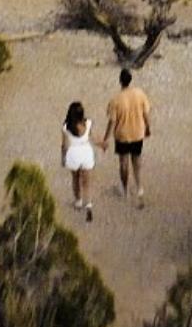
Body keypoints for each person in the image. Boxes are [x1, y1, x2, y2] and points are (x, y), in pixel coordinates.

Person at [101, 66, 153, 208]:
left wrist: (106, 139)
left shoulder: (115, 100)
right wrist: (148, 128)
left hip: (122, 135)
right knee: (136, 160)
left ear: (120, 81)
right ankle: (139, 187)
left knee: (123, 163)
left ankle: (124, 189)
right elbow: (145, 114)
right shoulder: (140, 94)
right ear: (130, 80)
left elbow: (112, 121)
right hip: (138, 133)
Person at [61, 101, 97, 222]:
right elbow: (92, 137)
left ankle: (78, 201)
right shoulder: (88, 123)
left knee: (75, 179)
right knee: (87, 182)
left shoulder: (66, 127)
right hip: (86, 152)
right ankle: (89, 204)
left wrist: (63, 158)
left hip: (73, 154)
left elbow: (64, 146)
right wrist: (102, 144)